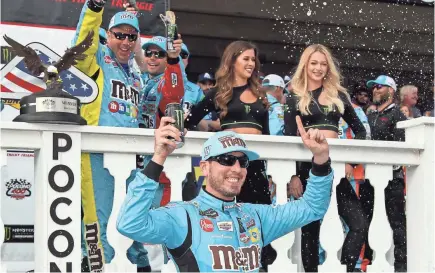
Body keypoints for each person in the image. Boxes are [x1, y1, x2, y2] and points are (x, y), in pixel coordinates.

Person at [117, 115, 334, 272]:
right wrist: (158, 158)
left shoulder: (255, 216)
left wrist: (321, 159)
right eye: (226, 160)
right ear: (205, 167)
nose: (236, 169)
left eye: (243, 161)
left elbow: (312, 208)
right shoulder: (183, 216)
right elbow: (129, 223)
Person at [183, 41, 275, 268]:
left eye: (253, 60)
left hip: (255, 166)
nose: (251, 64)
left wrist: (271, 171)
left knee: (258, 223)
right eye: (246, 59)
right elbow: (191, 120)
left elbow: (269, 136)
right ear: (232, 61)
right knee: (231, 222)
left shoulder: (261, 94)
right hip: (229, 166)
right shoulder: (219, 92)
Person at [72, 0, 148, 271]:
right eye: (119, 35)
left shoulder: (136, 76)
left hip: (129, 158)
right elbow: (83, 40)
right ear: (110, 35)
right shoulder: (97, 60)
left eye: (132, 36)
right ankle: (94, 265)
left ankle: (139, 265)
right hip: (97, 154)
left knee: (133, 217)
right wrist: (93, 8)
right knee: (98, 218)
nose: (125, 42)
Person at [283, 44, 366, 272]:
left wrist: (351, 161)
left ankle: (345, 268)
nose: (319, 68)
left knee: (358, 224)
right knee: (310, 229)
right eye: (314, 63)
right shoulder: (294, 97)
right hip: (307, 171)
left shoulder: (337, 95)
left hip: (336, 169)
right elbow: (289, 138)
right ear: (305, 65)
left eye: (323, 63)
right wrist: (293, 175)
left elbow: (360, 130)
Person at [366, 75, 407, 272]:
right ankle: (367, 263)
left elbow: (401, 147)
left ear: (391, 91)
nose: (375, 90)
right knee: (367, 220)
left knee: (397, 223)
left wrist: (390, 170)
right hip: (369, 178)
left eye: (380, 87)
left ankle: (401, 266)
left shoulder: (398, 114)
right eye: (373, 87)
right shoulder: (370, 115)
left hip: (392, 179)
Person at [337, 103, 374, 272]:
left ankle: (353, 266)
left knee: (355, 225)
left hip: (351, 175)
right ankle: (321, 264)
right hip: (319, 170)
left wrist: (350, 161)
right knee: (317, 225)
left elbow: (363, 134)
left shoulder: (355, 109)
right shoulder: (311, 102)